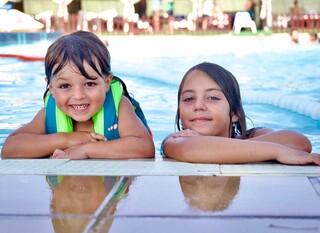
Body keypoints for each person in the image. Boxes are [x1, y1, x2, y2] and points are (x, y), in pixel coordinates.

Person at [1, 31, 155, 159]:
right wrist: (67, 139)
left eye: (90, 84)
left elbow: (145, 147)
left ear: (107, 82)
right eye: (65, 86)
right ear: (51, 88)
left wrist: (86, 150)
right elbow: (10, 148)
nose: (78, 95)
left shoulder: (120, 107)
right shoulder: (50, 113)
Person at [161, 62, 320, 165]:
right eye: (188, 99)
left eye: (212, 97)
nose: (198, 106)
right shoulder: (175, 140)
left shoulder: (250, 136)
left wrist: (218, 146)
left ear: (234, 113)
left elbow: (299, 142)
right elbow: (192, 150)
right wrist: (278, 150)